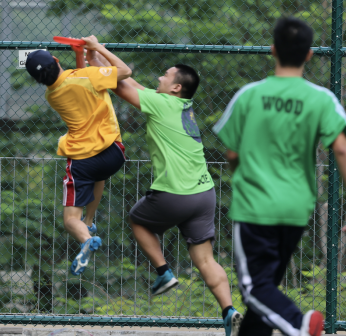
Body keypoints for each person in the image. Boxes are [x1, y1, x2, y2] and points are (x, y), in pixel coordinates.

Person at [213, 17, 346, 336]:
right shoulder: (322, 98)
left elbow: (232, 154)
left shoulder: (249, 95)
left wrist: (243, 177)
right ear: (309, 54)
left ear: (272, 50)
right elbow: (343, 150)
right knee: (264, 295)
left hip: (254, 206)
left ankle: (299, 324)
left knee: (254, 290)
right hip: (296, 208)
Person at [90, 48, 241, 336]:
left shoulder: (161, 104)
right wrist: (93, 58)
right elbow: (132, 85)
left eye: (166, 75)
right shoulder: (180, 106)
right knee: (205, 260)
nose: (160, 76)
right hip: (203, 192)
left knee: (137, 219)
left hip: (175, 192)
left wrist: (96, 51)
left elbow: (118, 83)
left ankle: (164, 273)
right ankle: (229, 311)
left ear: (176, 87)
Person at [24, 35, 131, 275]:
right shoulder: (85, 78)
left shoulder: (52, 95)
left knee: (71, 219)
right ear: (56, 59)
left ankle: (85, 238)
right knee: (99, 174)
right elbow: (125, 71)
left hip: (83, 162)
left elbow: (78, 82)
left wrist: (80, 56)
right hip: (113, 153)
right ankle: (90, 221)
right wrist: (95, 47)